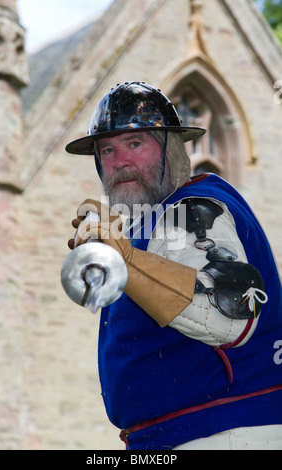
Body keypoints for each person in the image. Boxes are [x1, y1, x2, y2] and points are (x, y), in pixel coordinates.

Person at [65, 81, 282, 450]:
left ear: (171, 148)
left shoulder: (191, 209)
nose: (120, 161)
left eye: (135, 144)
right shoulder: (150, 223)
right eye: (107, 150)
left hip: (221, 431)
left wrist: (127, 262)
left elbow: (231, 317)